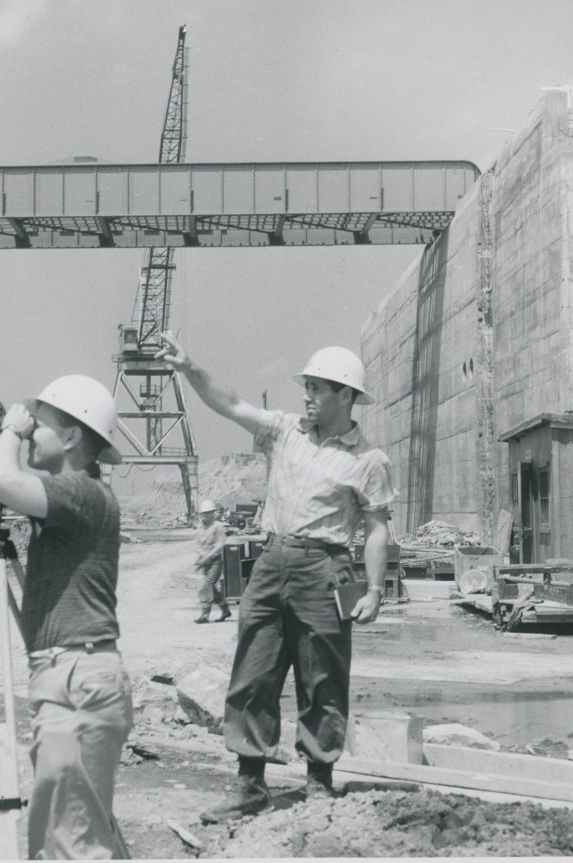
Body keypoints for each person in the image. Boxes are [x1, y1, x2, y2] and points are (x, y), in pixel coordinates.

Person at [156, 335, 396, 821]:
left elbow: (376, 527)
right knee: (254, 671)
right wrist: (191, 366)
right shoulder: (283, 431)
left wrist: (373, 590)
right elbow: (231, 403)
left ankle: (318, 783)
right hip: (271, 562)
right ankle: (250, 785)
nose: (306, 395)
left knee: (323, 676)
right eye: (305, 385)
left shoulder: (369, 460)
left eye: (317, 388)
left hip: (326, 568)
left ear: (345, 395)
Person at [0, 375, 134, 859]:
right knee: (64, 836)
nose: (28, 436)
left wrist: (7, 432)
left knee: (72, 847)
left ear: (71, 438)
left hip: (76, 679)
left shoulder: (80, 494)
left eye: (39, 428)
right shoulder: (69, 498)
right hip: (70, 676)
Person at [193, 499, 231, 624]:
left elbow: (220, 545)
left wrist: (208, 556)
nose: (204, 516)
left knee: (207, 585)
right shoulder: (200, 528)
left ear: (212, 513)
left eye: (207, 513)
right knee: (212, 588)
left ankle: (205, 614)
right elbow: (197, 544)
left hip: (215, 561)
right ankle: (225, 609)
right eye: (202, 514)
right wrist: (202, 556)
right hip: (205, 562)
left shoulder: (218, 527)